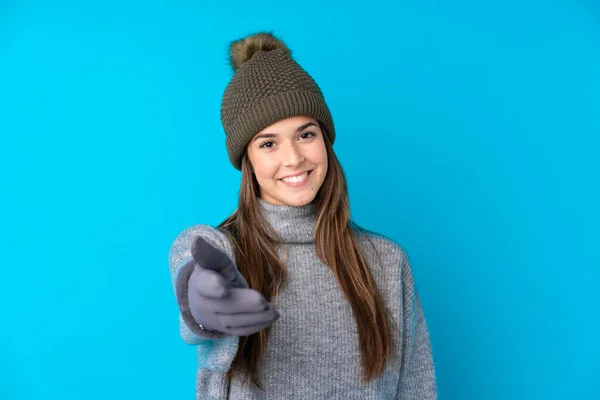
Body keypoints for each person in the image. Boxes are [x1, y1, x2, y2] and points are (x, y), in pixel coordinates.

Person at [168, 31, 437, 399]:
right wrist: (199, 294)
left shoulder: (387, 263)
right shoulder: (227, 254)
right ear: (247, 160)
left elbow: (416, 390)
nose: (293, 158)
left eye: (306, 134)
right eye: (268, 143)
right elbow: (192, 251)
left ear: (325, 140)